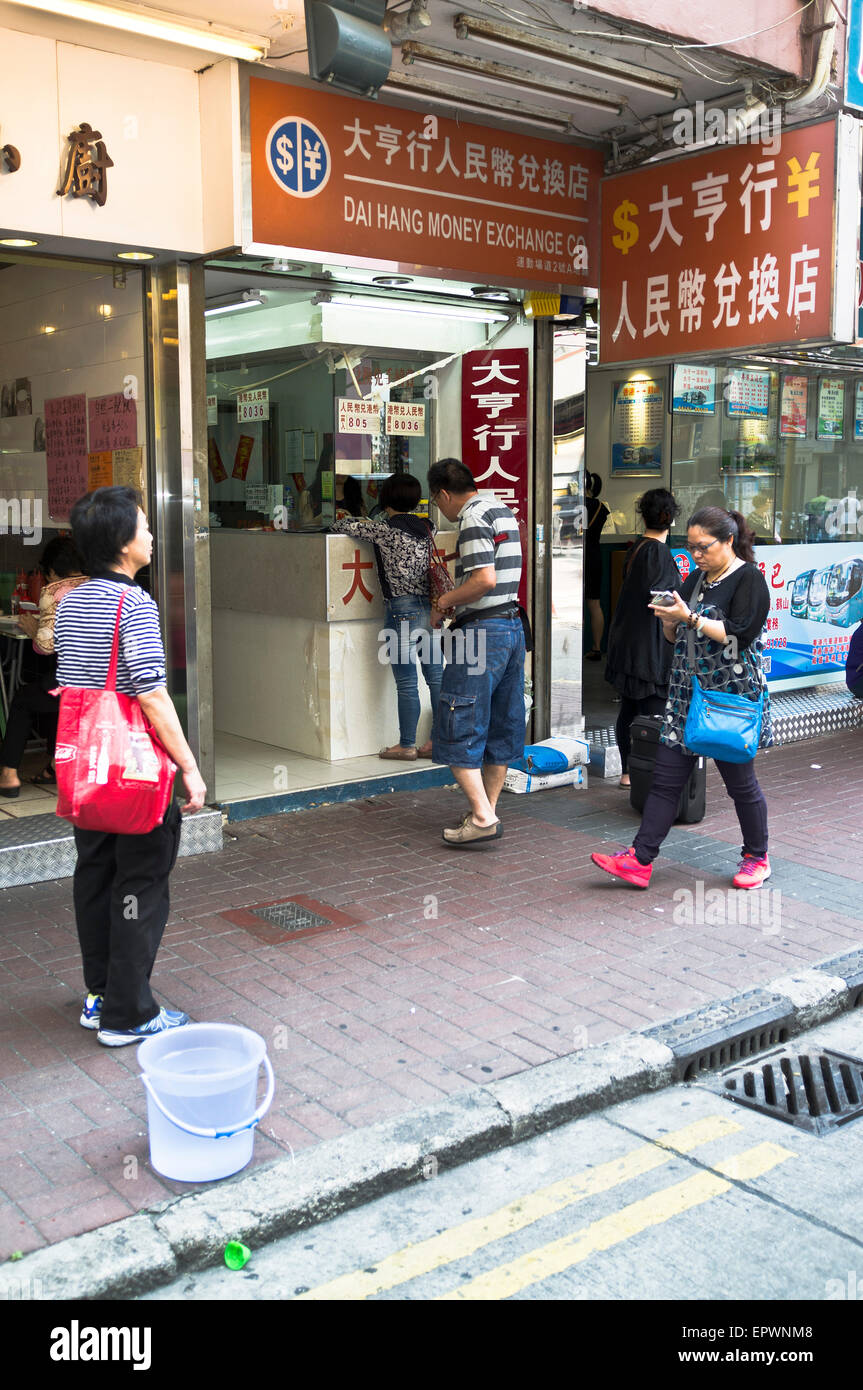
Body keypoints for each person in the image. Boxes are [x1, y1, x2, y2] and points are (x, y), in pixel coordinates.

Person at [54, 486, 206, 1046]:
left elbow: (79, 683)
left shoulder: (72, 600)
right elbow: (150, 693)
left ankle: (99, 998)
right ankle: (129, 1015)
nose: (149, 533)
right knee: (140, 884)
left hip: (89, 768)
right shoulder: (133, 603)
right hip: (137, 773)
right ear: (122, 542)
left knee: (95, 877)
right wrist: (189, 765)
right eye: (142, 525)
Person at [591, 506, 773, 891]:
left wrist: (688, 618)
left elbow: (740, 638)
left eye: (703, 547)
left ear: (727, 541)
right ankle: (640, 860)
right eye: (690, 547)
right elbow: (679, 640)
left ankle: (757, 857)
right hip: (686, 696)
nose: (696, 555)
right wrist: (671, 624)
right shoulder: (696, 579)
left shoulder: (750, 580)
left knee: (740, 783)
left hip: (729, 697)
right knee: (664, 780)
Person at [427, 458, 524, 848]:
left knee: (457, 719)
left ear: (444, 494)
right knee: (502, 721)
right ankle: (487, 809)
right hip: (513, 627)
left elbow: (484, 579)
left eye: (437, 502)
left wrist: (444, 601)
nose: (441, 510)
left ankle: (482, 816)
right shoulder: (501, 508)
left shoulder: (470, 518)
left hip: (482, 632)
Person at [331, 472, 444, 760]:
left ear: (385, 499)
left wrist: (369, 516)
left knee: (406, 681)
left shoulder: (384, 530)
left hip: (402, 611)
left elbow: (339, 524)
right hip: (430, 609)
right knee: (436, 678)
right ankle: (438, 741)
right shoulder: (428, 526)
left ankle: (407, 744)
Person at [604, 489, 681, 789]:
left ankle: (627, 771)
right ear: (672, 518)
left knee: (629, 709)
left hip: (627, 640)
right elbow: (662, 601)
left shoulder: (637, 548)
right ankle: (650, 775)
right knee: (654, 712)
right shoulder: (658, 552)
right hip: (650, 645)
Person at [0, 535, 87, 797]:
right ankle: (53, 765)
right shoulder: (98, 585)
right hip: (102, 680)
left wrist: (35, 628)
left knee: (24, 700)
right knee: (50, 690)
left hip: (73, 682)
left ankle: (8, 775)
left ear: (51, 571)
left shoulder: (53, 591)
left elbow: (46, 647)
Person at [584, 471, 609, 659]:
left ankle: (572, 648)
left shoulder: (571, 505)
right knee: (595, 604)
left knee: (571, 605)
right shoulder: (601, 506)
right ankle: (597, 647)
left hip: (574, 556)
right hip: (594, 557)